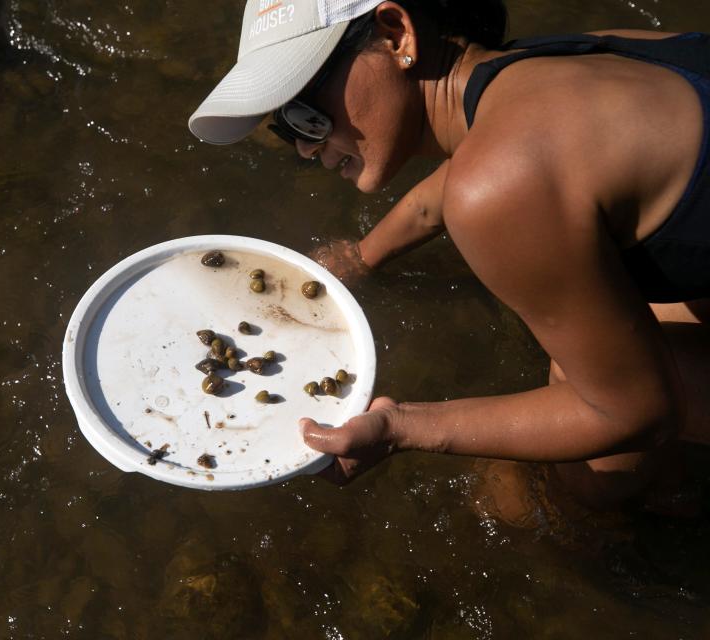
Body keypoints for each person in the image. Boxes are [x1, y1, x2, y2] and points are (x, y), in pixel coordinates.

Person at [188, 0, 710, 510]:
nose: (303, 145)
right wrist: (362, 258)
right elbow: (449, 192)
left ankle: (623, 524)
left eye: (305, 110)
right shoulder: (553, 62)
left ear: (397, 35)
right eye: (285, 128)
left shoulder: (500, 181)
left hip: (642, 401)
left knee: (566, 424)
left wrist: (400, 429)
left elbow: (637, 414)